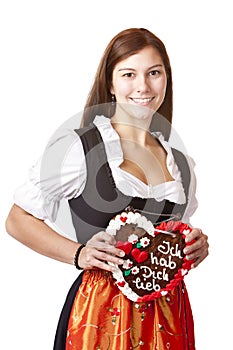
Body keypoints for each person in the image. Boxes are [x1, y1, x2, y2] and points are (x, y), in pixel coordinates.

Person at [5, 28, 209, 349]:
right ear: (111, 83)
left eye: (153, 73)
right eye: (129, 74)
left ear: (166, 80)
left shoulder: (181, 163)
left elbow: (171, 238)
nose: (143, 86)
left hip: (167, 316)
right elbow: (18, 219)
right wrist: (79, 254)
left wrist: (193, 245)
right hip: (98, 314)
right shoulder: (78, 148)